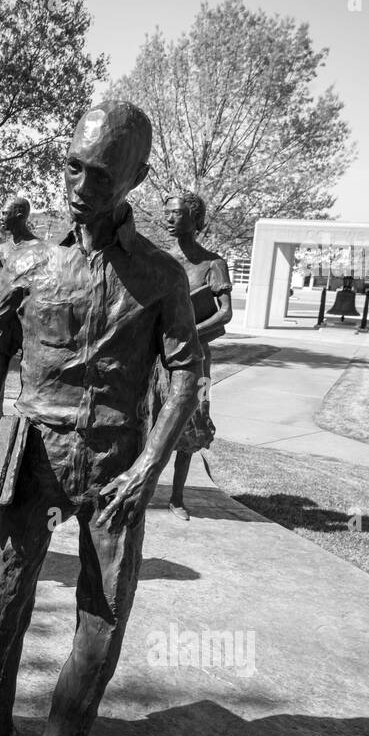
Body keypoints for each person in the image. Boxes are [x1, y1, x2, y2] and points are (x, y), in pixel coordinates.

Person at [0, 101, 201, 736]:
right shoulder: (26, 262)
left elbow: (185, 373)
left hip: (117, 462)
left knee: (104, 611)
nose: (80, 184)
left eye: (99, 172)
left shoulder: (161, 274)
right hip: (32, 450)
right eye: (72, 165)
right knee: (5, 590)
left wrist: (151, 467)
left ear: (135, 178)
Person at [160, 191, 233, 520]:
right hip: (158, 355)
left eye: (176, 213)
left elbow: (225, 313)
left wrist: (189, 335)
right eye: (167, 213)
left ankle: (176, 497)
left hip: (196, 359)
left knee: (191, 420)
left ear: (194, 219)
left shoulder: (213, 264)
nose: (169, 219)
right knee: (149, 418)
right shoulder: (160, 260)